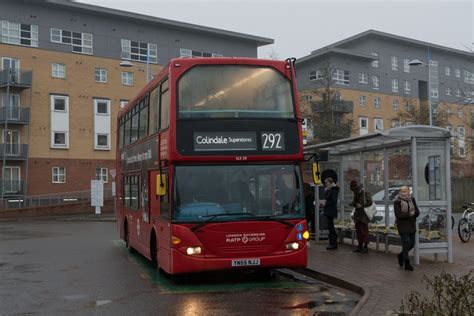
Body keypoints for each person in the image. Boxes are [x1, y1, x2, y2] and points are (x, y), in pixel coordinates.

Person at [394, 186, 420, 271]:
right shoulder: (397, 201)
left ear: (408, 192)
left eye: (404, 191)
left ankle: (401, 255)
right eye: (401, 191)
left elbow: (417, 212)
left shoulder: (412, 199)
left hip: (411, 226)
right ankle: (407, 263)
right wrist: (410, 214)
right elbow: (398, 215)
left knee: (412, 243)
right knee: (406, 243)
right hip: (403, 226)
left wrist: (414, 213)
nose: (402, 193)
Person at [349, 180, 372, 253]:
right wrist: (352, 204)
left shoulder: (366, 193)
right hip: (358, 215)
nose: (355, 192)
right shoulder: (356, 193)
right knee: (358, 231)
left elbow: (370, 202)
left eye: (356, 190)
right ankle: (360, 246)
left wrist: (362, 205)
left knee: (364, 231)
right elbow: (355, 202)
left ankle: (365, 247)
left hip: (364, 215)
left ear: (359, 188)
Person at [322, 177, 339, 250]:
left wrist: (325, 203)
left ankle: (333, 243)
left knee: (331, 228)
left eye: (326, 183)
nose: (325, 184)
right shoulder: (330, 190)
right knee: (330, 227)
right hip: (329, 211)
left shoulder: (334, 190)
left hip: (331, 211)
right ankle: (332, 243)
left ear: (331, 182)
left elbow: (333, 201)